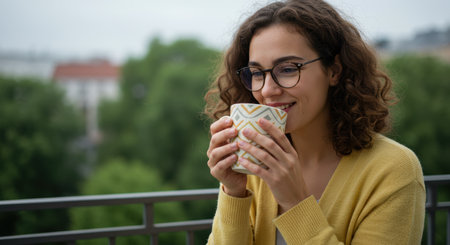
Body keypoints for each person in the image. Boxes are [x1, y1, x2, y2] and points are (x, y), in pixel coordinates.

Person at [204, 0, 426, 244]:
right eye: (257, 73)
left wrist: (294, 202)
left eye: (288, 69)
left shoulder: (393, 169)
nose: (267, 90)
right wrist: (234, 193)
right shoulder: (257, 162)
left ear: (334, 71)